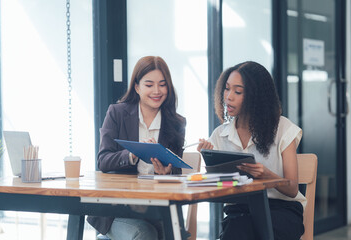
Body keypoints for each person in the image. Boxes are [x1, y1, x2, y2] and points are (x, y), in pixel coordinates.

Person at [197, 61, 305, 240]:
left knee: (242, 231)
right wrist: (209, 161)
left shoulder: (283, 128)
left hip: (281, 211)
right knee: (239, 227)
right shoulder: (220, 135)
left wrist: (268, 176)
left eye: (238, 92)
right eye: (227, 89)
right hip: (239, 211)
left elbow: (293, 189)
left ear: (257, 97)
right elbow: (218, 186)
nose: (229, 97)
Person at [87, 56, 186, 240]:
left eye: (162, 84)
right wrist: (132, 154)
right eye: (149, 85)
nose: (157, 91)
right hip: (116, 211)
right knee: (145, 234)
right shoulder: (117, 113)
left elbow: (177, 174)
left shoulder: (176, 122)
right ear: (137, 87)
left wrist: (164, 174)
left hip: (156, 210)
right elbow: (104, 160)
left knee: (172, 234)